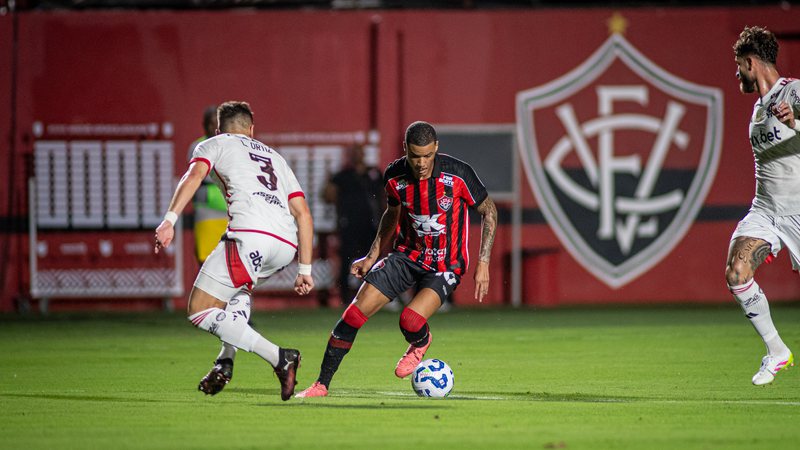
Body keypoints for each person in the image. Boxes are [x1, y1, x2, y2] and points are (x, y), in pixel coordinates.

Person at [296, 120, 498, 398]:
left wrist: (483, 262)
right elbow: (391, 214)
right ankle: (321, 384)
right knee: (352, 315)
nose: (422, 163)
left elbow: (490, 211)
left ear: (436, 148)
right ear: (405, 150)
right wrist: (372, 255)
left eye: (428, 155)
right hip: (406, 256)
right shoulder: (393, 175)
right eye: (415, 156)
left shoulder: (458, 174)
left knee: (410, 321)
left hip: (445, 264)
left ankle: (420, 341)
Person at [154, 101, 315, 400]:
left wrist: (169, 219)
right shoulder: (275, 157)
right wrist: (305, 269)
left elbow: (193, 177)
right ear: (252, 129)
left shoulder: (213, 144)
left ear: (218, 130)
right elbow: (303, 213)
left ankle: (280, 357)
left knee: (200, 310)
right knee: (237, 294)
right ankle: (225, 360)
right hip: (285, 246)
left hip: (249, 236)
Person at [727, 26, 799, 386]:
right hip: (766, 210)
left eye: (738, 65)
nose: (736, 73)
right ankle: (777, 351)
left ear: (751, 63)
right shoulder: (757, 110)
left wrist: (797, 121)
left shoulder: (794, 91)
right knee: (737, 271)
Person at [323, 144, 385, 304]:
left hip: (370, 225)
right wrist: (328, 181)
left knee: (372, 261)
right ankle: (345, 298)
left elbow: (384, 197)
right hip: (349, 225)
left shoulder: (374, 173)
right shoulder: (343, 176)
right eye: (355, 153)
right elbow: (328, 197)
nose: (358, 155)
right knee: (346, 261)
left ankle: (370, 296)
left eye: (360, 152)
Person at [188, 105, 229, 264]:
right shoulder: (197, 147)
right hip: (207, 213)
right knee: (206, 262)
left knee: (228, 263)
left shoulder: (229, 145)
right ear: (204, 125)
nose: (214, 128)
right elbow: (201, 176)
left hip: (229, 214)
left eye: (217, 123)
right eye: (210, 124)